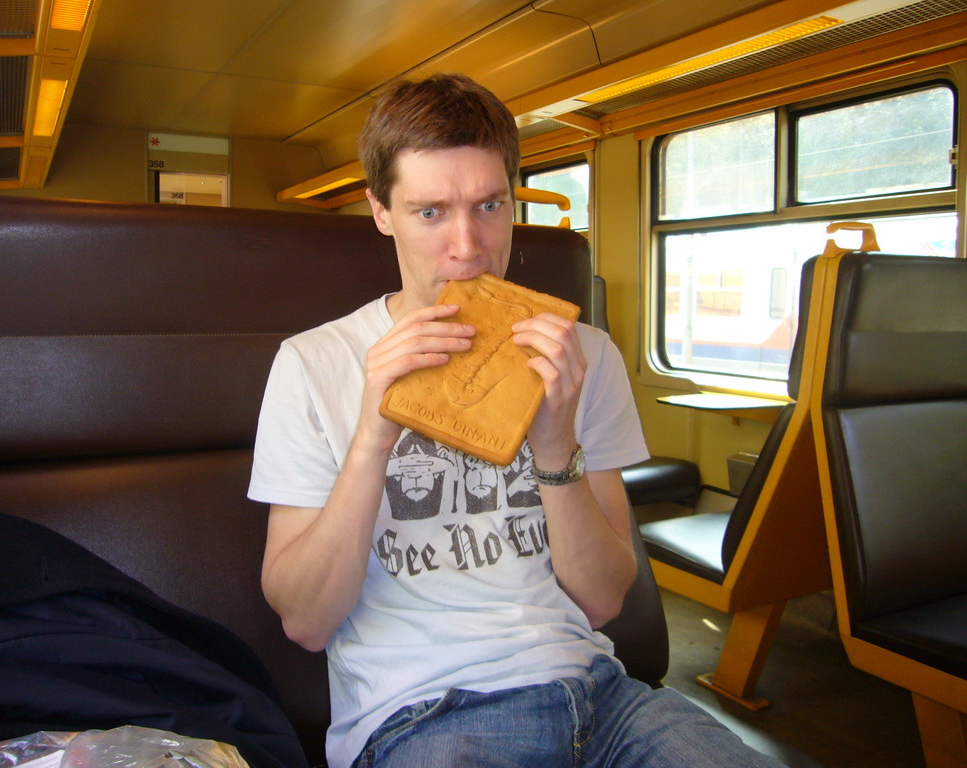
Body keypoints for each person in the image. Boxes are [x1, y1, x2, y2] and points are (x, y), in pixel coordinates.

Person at [249, 73, 784, 768]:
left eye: (490, 205)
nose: (469, 246)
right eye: (431, 212)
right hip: (425, 715)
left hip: (601, 693)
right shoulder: (313, 363)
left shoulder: (583, 357)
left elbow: (601, 600)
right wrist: (374, 435)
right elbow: (306, 621)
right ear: (382, 212)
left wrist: (555, 440)